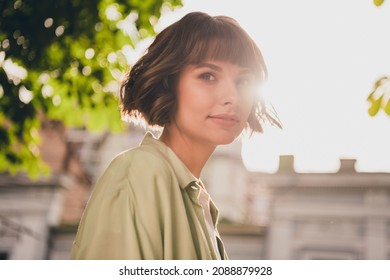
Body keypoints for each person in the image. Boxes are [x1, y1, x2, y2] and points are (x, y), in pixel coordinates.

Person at [70, 11, 281, 260]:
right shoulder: (139, 173)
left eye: (244, 81)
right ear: (168, 83)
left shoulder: (200, 202)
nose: (231, 97)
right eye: (208, 76)